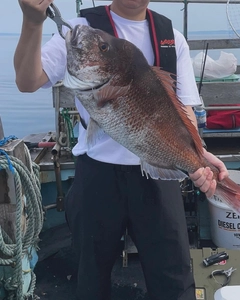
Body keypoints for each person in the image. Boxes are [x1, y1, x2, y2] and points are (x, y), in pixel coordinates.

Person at [15, 1, 229, 299]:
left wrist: (198, 156)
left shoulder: (171, 36)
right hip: (97, 174)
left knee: (174, 278)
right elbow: (28, 81)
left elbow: (184, 111)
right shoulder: (84, 30)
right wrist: (33, 22)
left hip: (158, 174)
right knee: (91, 274)